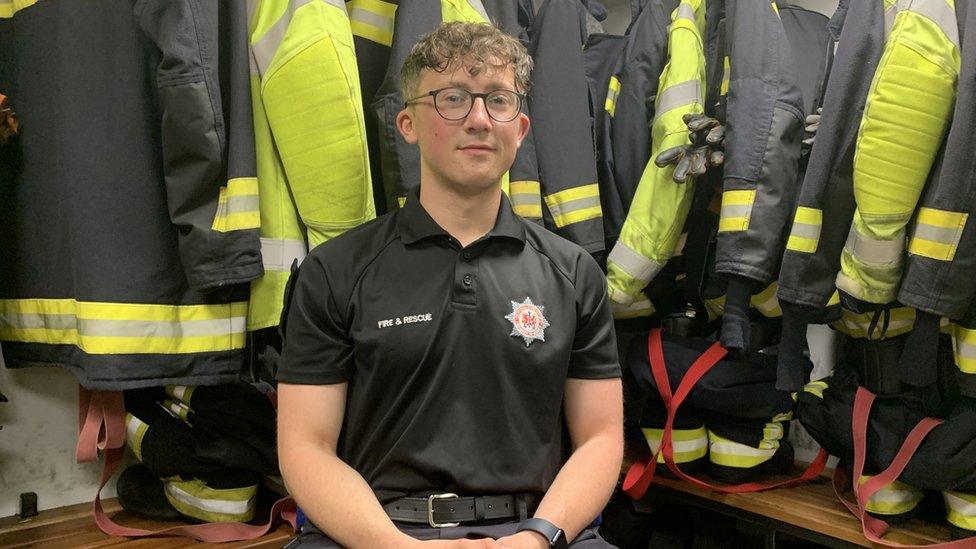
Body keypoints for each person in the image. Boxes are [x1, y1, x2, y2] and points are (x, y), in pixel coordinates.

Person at [276, 21, 623, 549]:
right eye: (453, 99)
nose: (480, 119)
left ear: (521, 126)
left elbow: (600, 439)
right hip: (375, 533)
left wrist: (536, 539)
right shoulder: (336, 271)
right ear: (408, 123)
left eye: (499, 101)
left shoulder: (575, 275)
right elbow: (305, 447)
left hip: (535, 531)